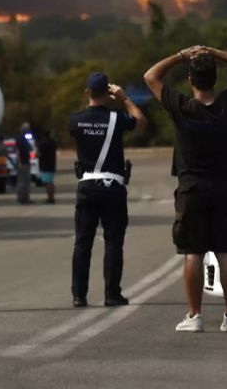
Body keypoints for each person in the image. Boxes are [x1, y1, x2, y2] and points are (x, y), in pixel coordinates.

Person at [144, 45, 227, 333]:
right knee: (226, 252)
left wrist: (181, 56)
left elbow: (151, 75)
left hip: (191, 186)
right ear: (215, 79)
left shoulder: (182, 106)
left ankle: (194, 316)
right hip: (223, 186)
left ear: (191, 81)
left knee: (193, 252)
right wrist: (217, 53)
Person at [69, 72, 147, 308]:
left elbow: (77, 133)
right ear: (108, 94)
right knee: (113, 241)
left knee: (83, 242)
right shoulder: (117, 117)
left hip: (87, 185)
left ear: (87, 92)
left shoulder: (75, 120)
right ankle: (112, 294)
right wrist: (125, 98)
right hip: (112, 186)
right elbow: (141, 122)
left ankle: (79, 295)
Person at [37, 130, 58, 204]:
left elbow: (39, 153)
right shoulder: (53, 142)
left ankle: (50, 198)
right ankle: (52, 197)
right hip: (52, 164)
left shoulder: (42, 143)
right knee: (51, 182)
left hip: (45, 165)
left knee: (47, 183)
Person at [16, 123, 33, 204]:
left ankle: (26, 198)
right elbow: (18, 151)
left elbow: (30, 148)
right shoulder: (20, 139)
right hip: (23, 163)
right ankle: (21, 198)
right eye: (27, 129)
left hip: (26, 162)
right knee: (22, 182)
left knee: (26, 181)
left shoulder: (24, 139)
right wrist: (19, 162)